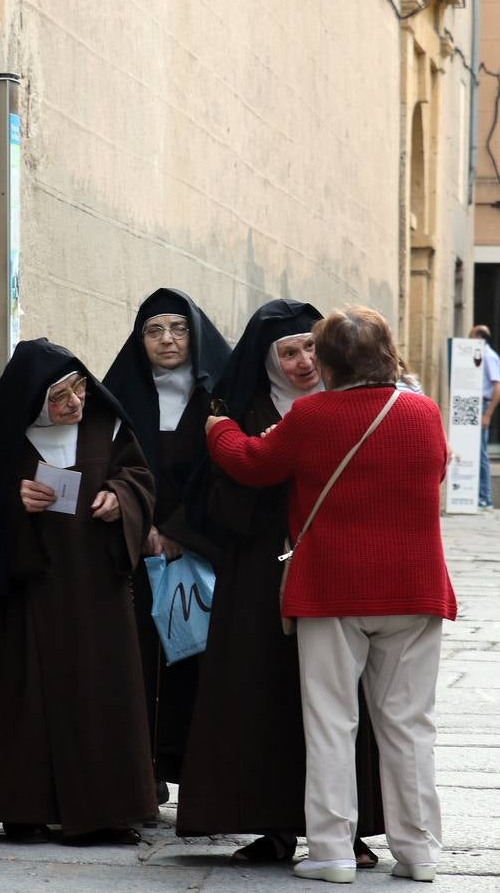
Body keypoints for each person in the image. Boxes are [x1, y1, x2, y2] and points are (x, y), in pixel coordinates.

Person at [206, 306, 456, 885]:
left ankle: (332, 853)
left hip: (331, 591)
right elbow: (437, 471)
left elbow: (252, 463)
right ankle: (418, 852)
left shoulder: (313, 415)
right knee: (410, 724)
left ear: (329, 361)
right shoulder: (422, 412)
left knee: (331, 723)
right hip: (415, 589)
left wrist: (218, 428)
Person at [0, 339, 158, 844]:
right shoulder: (3, 439)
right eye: (60, 396)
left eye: (80, 389)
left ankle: (103, 813)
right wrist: (13, 499)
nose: (75, 403)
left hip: (95, 593)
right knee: (22, 699)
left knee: (98, 691)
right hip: (26, 590)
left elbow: (139, 479)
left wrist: (120, 499)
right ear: (33, 399)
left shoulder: (106, 426)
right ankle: (20, 807)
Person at [176, 300, 383, 869]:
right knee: (263, 694)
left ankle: (349, 830)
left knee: (344, 702)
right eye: (288, 353)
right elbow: (215, 502)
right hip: (260, 571)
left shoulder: (347, 404)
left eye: (311, 348)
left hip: (336, 570)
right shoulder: (242, 410)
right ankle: (270, 825)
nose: (302, 363)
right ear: (268, 362)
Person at [103, 288, 230, 801]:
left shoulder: (218, 396)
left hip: (201, 550)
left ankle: (197, 775)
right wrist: (142, 525)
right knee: (133, 658)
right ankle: (140, 774)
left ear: (195, 334)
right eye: (154, 330)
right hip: (134, 550)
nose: (167, 339)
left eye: (178, 328)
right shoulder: (118, 395)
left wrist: (178, 531)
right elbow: (106, 465)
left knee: (197, 663)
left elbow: (224, 472)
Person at [469, 325, 500, 509]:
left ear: (479, 337)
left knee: (481, 452)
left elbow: (498, 387)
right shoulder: (479, 355)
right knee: (476, 451)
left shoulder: (489, 356)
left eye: (471, 335)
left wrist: (488, 414)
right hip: (476, 403)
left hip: (483, 405)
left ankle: (485, 497)